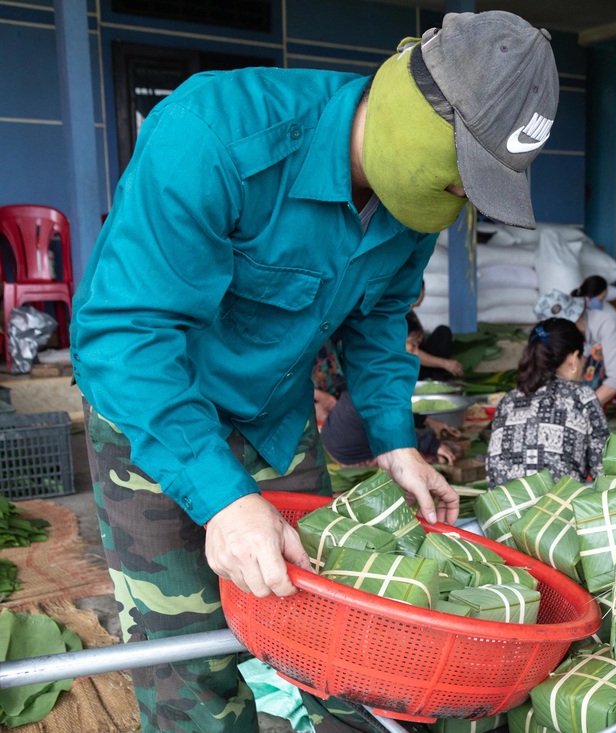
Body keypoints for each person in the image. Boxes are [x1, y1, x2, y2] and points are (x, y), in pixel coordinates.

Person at [70, 11, 558, 732]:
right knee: (189, 666)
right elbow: (123, 336)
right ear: (417, 120)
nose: (462, 203)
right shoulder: (215, 137)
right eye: (464, 179)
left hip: (276, 414)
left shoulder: (411, 211)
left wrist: (396, 442)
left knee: (337, 634)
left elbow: (381, 319)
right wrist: (223, 500)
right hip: (157, 414)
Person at [323, 313, 461, 467]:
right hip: (350, 453)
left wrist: (428, 420)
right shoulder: (380, 379)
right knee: (424, 462)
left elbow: (393, 410)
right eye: (413, 345)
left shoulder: (374, 367)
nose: (416, 354)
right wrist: (434, 446)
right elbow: (392, 430)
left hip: (333, 436)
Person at [486, 318, 609, 486]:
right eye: (582, 357)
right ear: (573, 358)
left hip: (504, 507)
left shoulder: (507, 400)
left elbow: (493, 474)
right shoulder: (582, 396)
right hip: (556, 508)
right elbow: (602, 469)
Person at [534, 289, 616, 407]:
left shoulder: (607, 324)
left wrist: (582, 411)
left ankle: (582, 406)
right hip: (615, 373)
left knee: (597, 352)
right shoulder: (580, 331)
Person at [411, 281, 465, 381]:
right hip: (408, 369)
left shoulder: (410, 314)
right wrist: (445, 364)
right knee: (443, 333)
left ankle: (436, 378)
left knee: (442, 333)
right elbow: (410, 351)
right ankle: (435, 379)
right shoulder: (401, 316)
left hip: (415, 365)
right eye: (423, 291)